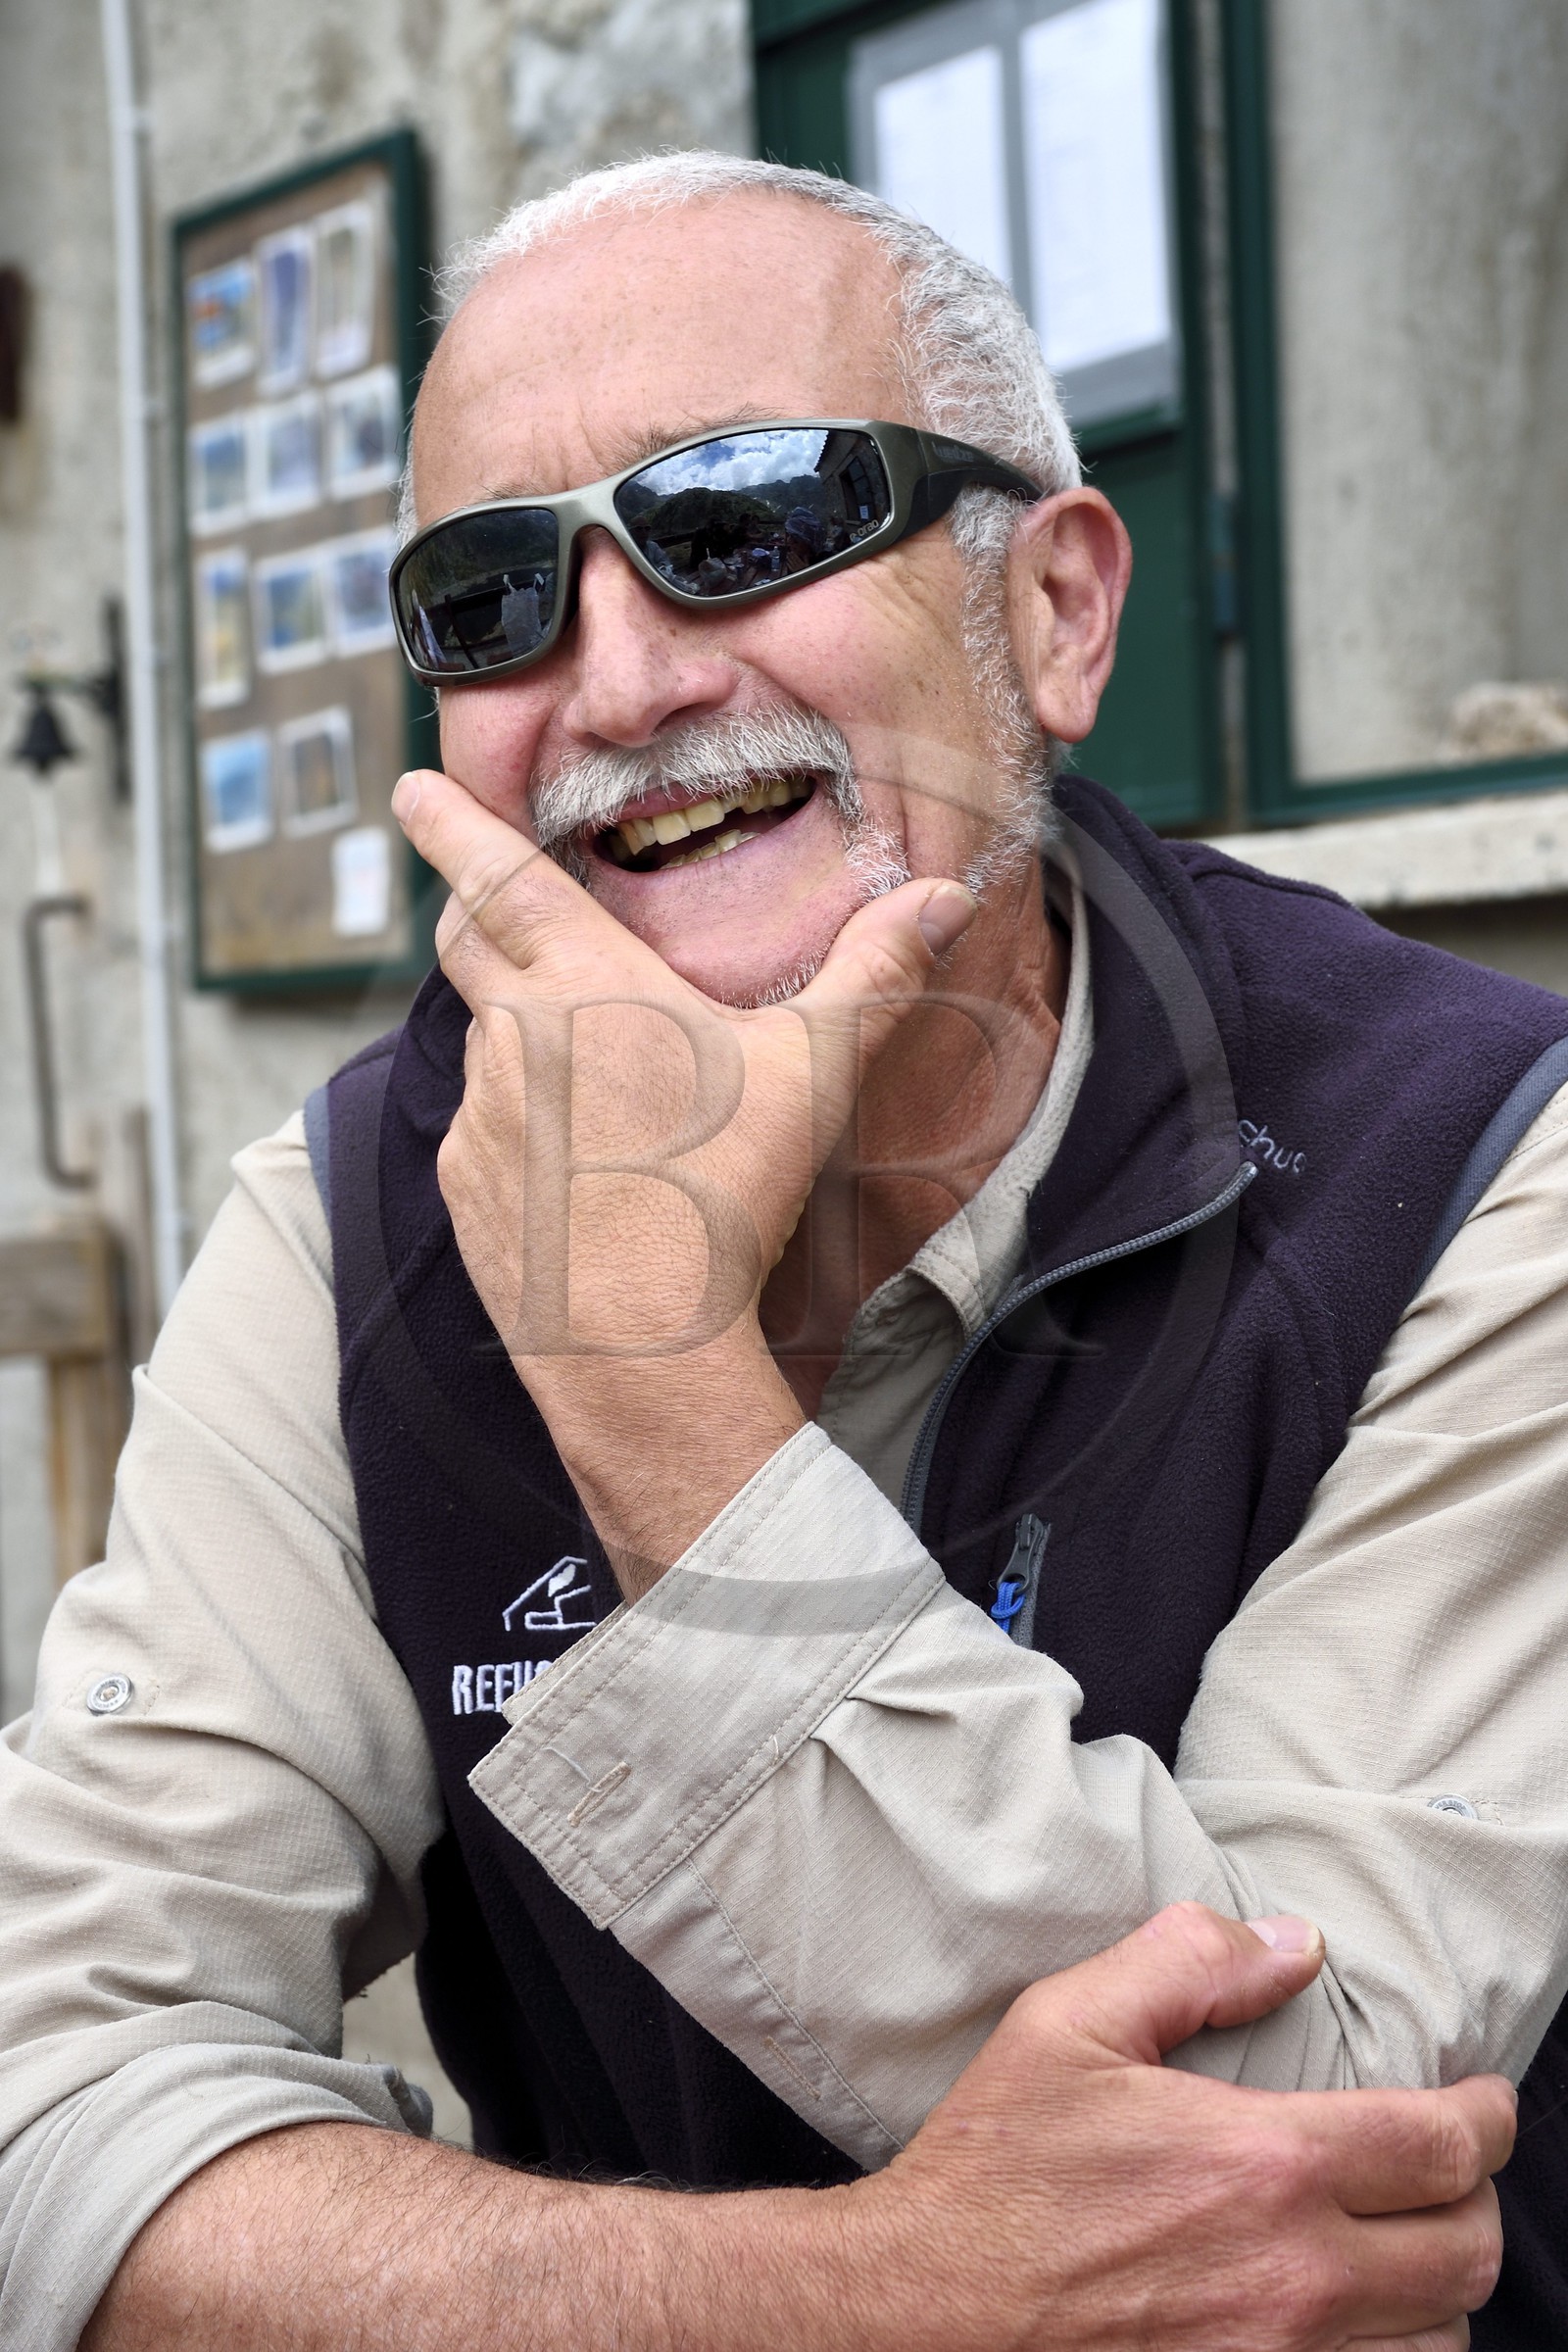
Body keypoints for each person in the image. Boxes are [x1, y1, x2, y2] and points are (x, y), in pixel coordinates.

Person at [4, 150, 1565, 2350]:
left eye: (743, 521)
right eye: (489, 597)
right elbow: (53, 2098)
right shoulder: (355, 1214)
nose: (622, 681)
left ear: (1054, 610)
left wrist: (652, 1383)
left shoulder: (1484, 1162)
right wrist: (853, 2302)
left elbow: (1274, 2165)